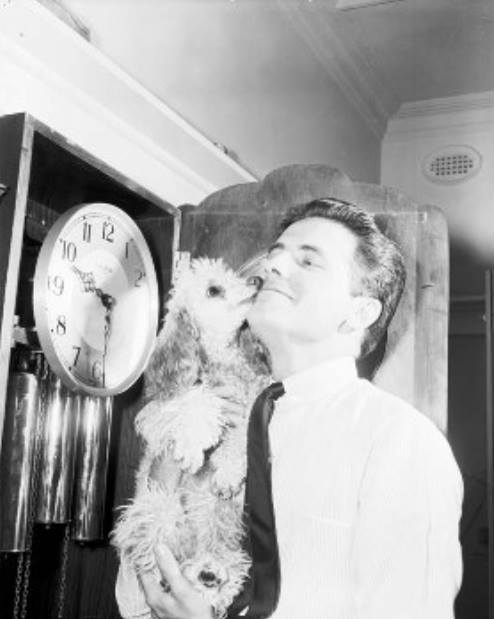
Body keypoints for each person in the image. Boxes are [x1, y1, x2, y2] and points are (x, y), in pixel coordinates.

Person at [117, 197, 463, 619]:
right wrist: (168, 467)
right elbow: (135, 601)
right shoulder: (216, 417)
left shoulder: (401, 440)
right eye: (275, 255)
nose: (271, 267)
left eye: (309, 261)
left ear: (360, 312)